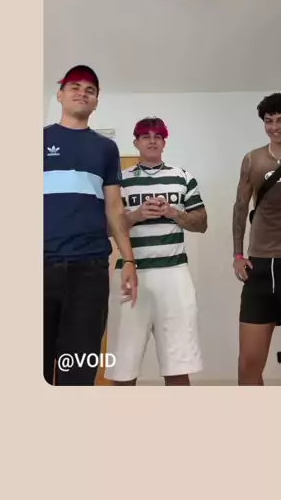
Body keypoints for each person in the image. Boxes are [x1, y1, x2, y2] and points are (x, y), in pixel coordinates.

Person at [43, 65, 138, 385]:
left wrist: (129, 260)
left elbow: (114, 207)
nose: (82, 93)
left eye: (90, 90)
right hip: (41, 266)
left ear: (96, 101)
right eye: (75, 86)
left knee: (80, 368)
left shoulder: (106, 149)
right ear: (60, 95)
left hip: (89, 270)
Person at [106, 116, 207, 386]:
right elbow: (105, 228)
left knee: (179, 363)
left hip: (174, 274)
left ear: (164, 142)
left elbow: (201, 223)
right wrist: (135, 215)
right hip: (131, 275)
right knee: (123, 364)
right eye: (145, 136)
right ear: (136, 142)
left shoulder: (182, 177)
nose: (152, 140)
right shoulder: (120, 181)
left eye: (158, 136)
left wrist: (174, 213)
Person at [232, 91, 281, 385]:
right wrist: (238, 255)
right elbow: (240, 207)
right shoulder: (253, 159)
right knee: (248, 365)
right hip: (260, 268)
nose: (274, 127)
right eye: (269, 121)